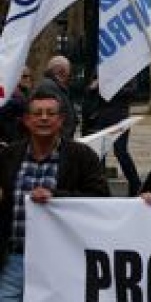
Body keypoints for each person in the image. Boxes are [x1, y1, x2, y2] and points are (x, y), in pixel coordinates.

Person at [0, 91, 109, 300]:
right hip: (13, 260)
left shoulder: (82, 156)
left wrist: (56, 197)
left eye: (50, 113)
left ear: (61, 120)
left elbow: (101, 199)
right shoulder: (8, 155)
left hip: (62, 260)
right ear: (26, 120)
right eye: (37, 113)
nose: (44, 118)